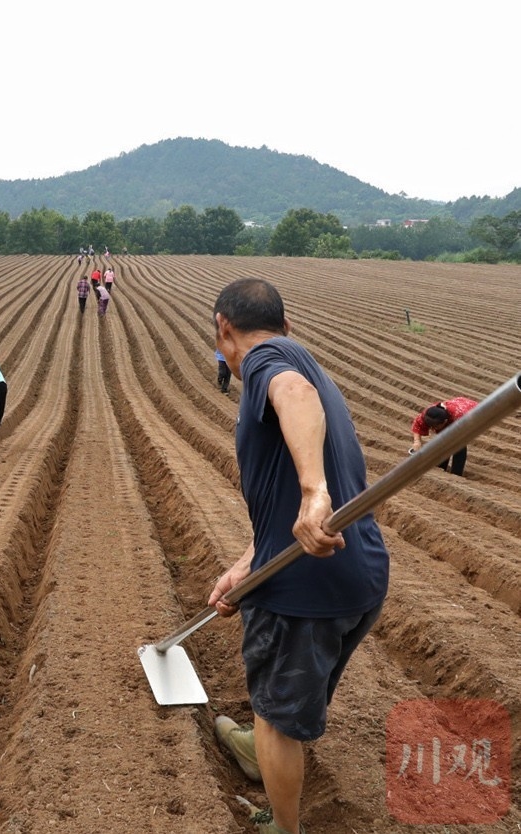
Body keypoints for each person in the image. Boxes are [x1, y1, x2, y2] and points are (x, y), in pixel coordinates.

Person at [206, 278, 388, 834]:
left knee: (280, 719)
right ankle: (257, 744)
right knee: (289, 697)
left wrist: (314, 493)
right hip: (357, 574)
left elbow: (294, 396)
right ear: (287, 323)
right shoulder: (304, 357)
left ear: (224, 330)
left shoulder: (267, 360)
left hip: (305, 589)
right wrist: (249, 562)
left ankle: (281, 824)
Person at [409, 396, 479, 475]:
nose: (432, 429)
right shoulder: (429, 413)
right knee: (444, 441)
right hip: (457, 404)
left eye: (435, 427)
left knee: (459, 444)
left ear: (445, 421)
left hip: (474, 412)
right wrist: (417, 442)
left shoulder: (459, 417)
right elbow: (418, 424)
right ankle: (441, 468)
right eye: (430, 426)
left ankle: (456, 473)